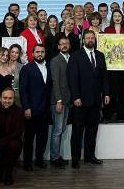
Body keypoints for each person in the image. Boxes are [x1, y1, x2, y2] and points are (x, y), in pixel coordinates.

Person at [67, 29, 109, 167]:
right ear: (83, 40)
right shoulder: (75, 56)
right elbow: (72, 79)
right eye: (88, 38)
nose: (90, 40)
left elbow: (104, 76)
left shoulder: (100, 55)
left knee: (92, 130)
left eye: (92, 38)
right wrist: (75, 97)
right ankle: (75, 159)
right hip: (80, 100)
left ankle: (90, 156)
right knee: (78, 131)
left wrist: (106, 93)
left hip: (96, 100)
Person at [19, 44, 50, 170]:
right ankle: (27, 163)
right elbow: (23, 90)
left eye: (42, 51)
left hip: (45, 109)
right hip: (31, 109)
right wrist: (26, 107)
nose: (40, 54)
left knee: (43, 137)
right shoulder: (26, 68)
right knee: (29, 138)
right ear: (32, 54)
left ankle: (39, 160)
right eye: (37, 52)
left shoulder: (49, 67)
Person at [48, 36, 71, 167]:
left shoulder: (71, 58)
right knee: (57, 130)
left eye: (66, 43)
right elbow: (55, 81)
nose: (64, 45)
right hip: (58, 100)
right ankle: (54, 158)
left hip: (67, 100)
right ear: (58, 46)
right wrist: (58, 100)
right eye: (62, 44)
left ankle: (57, 155)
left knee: (61, 129)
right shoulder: (55, 60)